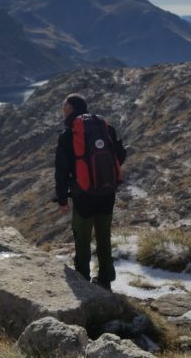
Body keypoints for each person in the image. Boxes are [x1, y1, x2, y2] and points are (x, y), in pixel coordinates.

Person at [54, 93, 127, 290]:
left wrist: (62, 199)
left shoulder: (68, 135)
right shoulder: (106, 129)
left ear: (69, 109)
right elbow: (120, 155)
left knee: (83, 238)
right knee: (104, 236)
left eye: (64, 106)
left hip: (83, 195)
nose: (62, 110)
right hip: (107, 191)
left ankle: (83, 280)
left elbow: (61, 170)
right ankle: (105, 279)